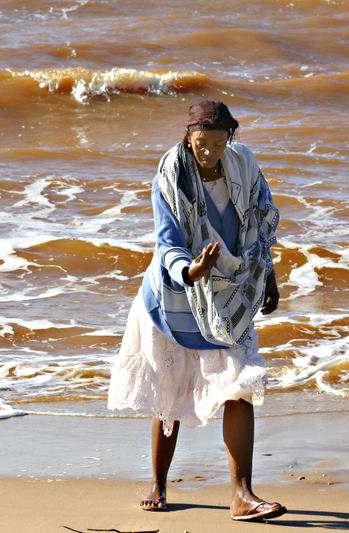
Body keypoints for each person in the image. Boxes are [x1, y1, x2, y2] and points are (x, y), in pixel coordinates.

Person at [107, 101, 285, 522]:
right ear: (189, 136)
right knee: (168, 392)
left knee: (241, 386)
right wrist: (192, 269)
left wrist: (269, 277)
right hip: (174, 296)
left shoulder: (243, 167)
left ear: (230, 138)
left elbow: (260, 227)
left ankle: (242, 495)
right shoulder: (169, 178)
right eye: (200, 143)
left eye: (217, 142)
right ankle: (159, 482)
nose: (208, 151)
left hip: (230, 296)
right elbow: (167, 242)